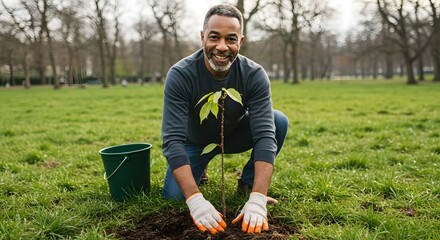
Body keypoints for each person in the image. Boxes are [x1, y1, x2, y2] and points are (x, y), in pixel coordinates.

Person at [161, 4, 289, 235]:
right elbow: (172, 141)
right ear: (202, 38)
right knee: (174, 197)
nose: (222, 47)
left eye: (231, 39)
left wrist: (258, 198)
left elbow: (264, 136)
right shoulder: (181, 74)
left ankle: (247, 182)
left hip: (233, 135)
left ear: (240, 40)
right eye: (214, 37)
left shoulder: (254, 74)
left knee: (277, 121)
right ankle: (200, 171)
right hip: (195, 143)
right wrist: (195, 200)